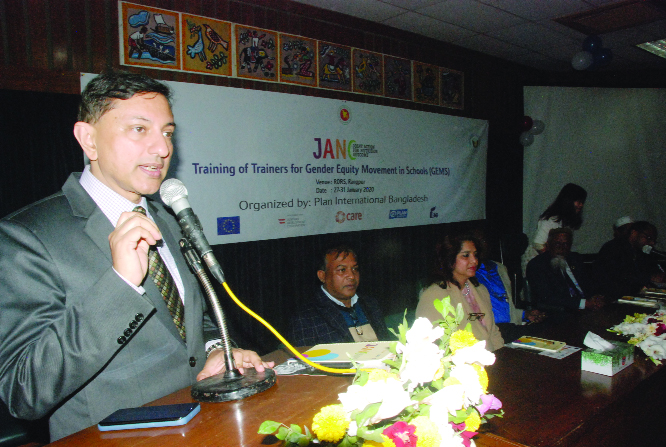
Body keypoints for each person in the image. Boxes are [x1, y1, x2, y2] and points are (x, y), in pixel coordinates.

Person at [0, 72, 272, 441]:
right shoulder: (28, 236)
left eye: (167, 132)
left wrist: (214, 350)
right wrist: (120, 284)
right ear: (88, 140)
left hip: (204, 429)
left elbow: (195, 320)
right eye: (139, 129)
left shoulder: (169, 221)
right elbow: (24, 391)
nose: (162, 149)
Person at [416, 234, 505, 352]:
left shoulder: (480, 289)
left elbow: (493, 332)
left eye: (475, 255)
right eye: (466, 256)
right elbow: (431, 345)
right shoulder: (434, 295)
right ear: (450, 258)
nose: (474, 261)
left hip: (489, 359)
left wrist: (501, 357)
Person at [289, 245, 391, 346]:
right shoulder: (306, 317)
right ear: (322, 276)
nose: (351, 276)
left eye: (355, 269)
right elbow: (307, 360)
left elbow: (388, 346)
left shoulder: (370, 304)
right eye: (342, 270)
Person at [526, 228, 604, 311]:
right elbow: (547, 297)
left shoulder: (575, 259)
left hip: (587, 308)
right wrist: (583, 303)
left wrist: (596, 297)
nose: (561, 248)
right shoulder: (538, 265)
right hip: (560, 311)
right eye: (557, 244)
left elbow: (589, 283)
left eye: (565, 244)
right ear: (548, 245)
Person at [522, 183, 587, 276]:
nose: (581, 205)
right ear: (568, 201)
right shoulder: (550, 220)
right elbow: (538, 244)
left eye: (582, 202)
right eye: (578, 201)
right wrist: (551, 261)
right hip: (536, 262)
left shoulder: (567, 221)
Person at [593, 221, 665, 300]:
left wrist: (658, 276)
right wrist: (648, 278)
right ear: (634, 233)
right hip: (613, 299)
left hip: (636, 297)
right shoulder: (613, 248)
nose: (651, 243)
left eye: (654, 240)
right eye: (648, 238)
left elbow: (652, 270)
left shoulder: (643, 252)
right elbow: (619, 276)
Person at [476, 260, 545, 341]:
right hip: (490, 330)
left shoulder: (499, 268)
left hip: (508, 329)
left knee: (544, 330)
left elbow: (505, 307)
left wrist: (525, 314)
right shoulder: (467, 273)